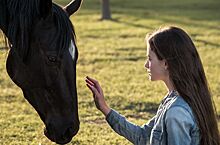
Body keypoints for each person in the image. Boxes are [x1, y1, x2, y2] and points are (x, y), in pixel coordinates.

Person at [85, 26, 220, 145]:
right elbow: (143, 137)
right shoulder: (173, 100)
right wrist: (105, 108)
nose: (146, 65)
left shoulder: (176, 112)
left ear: (166, 63)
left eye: (150, 59)